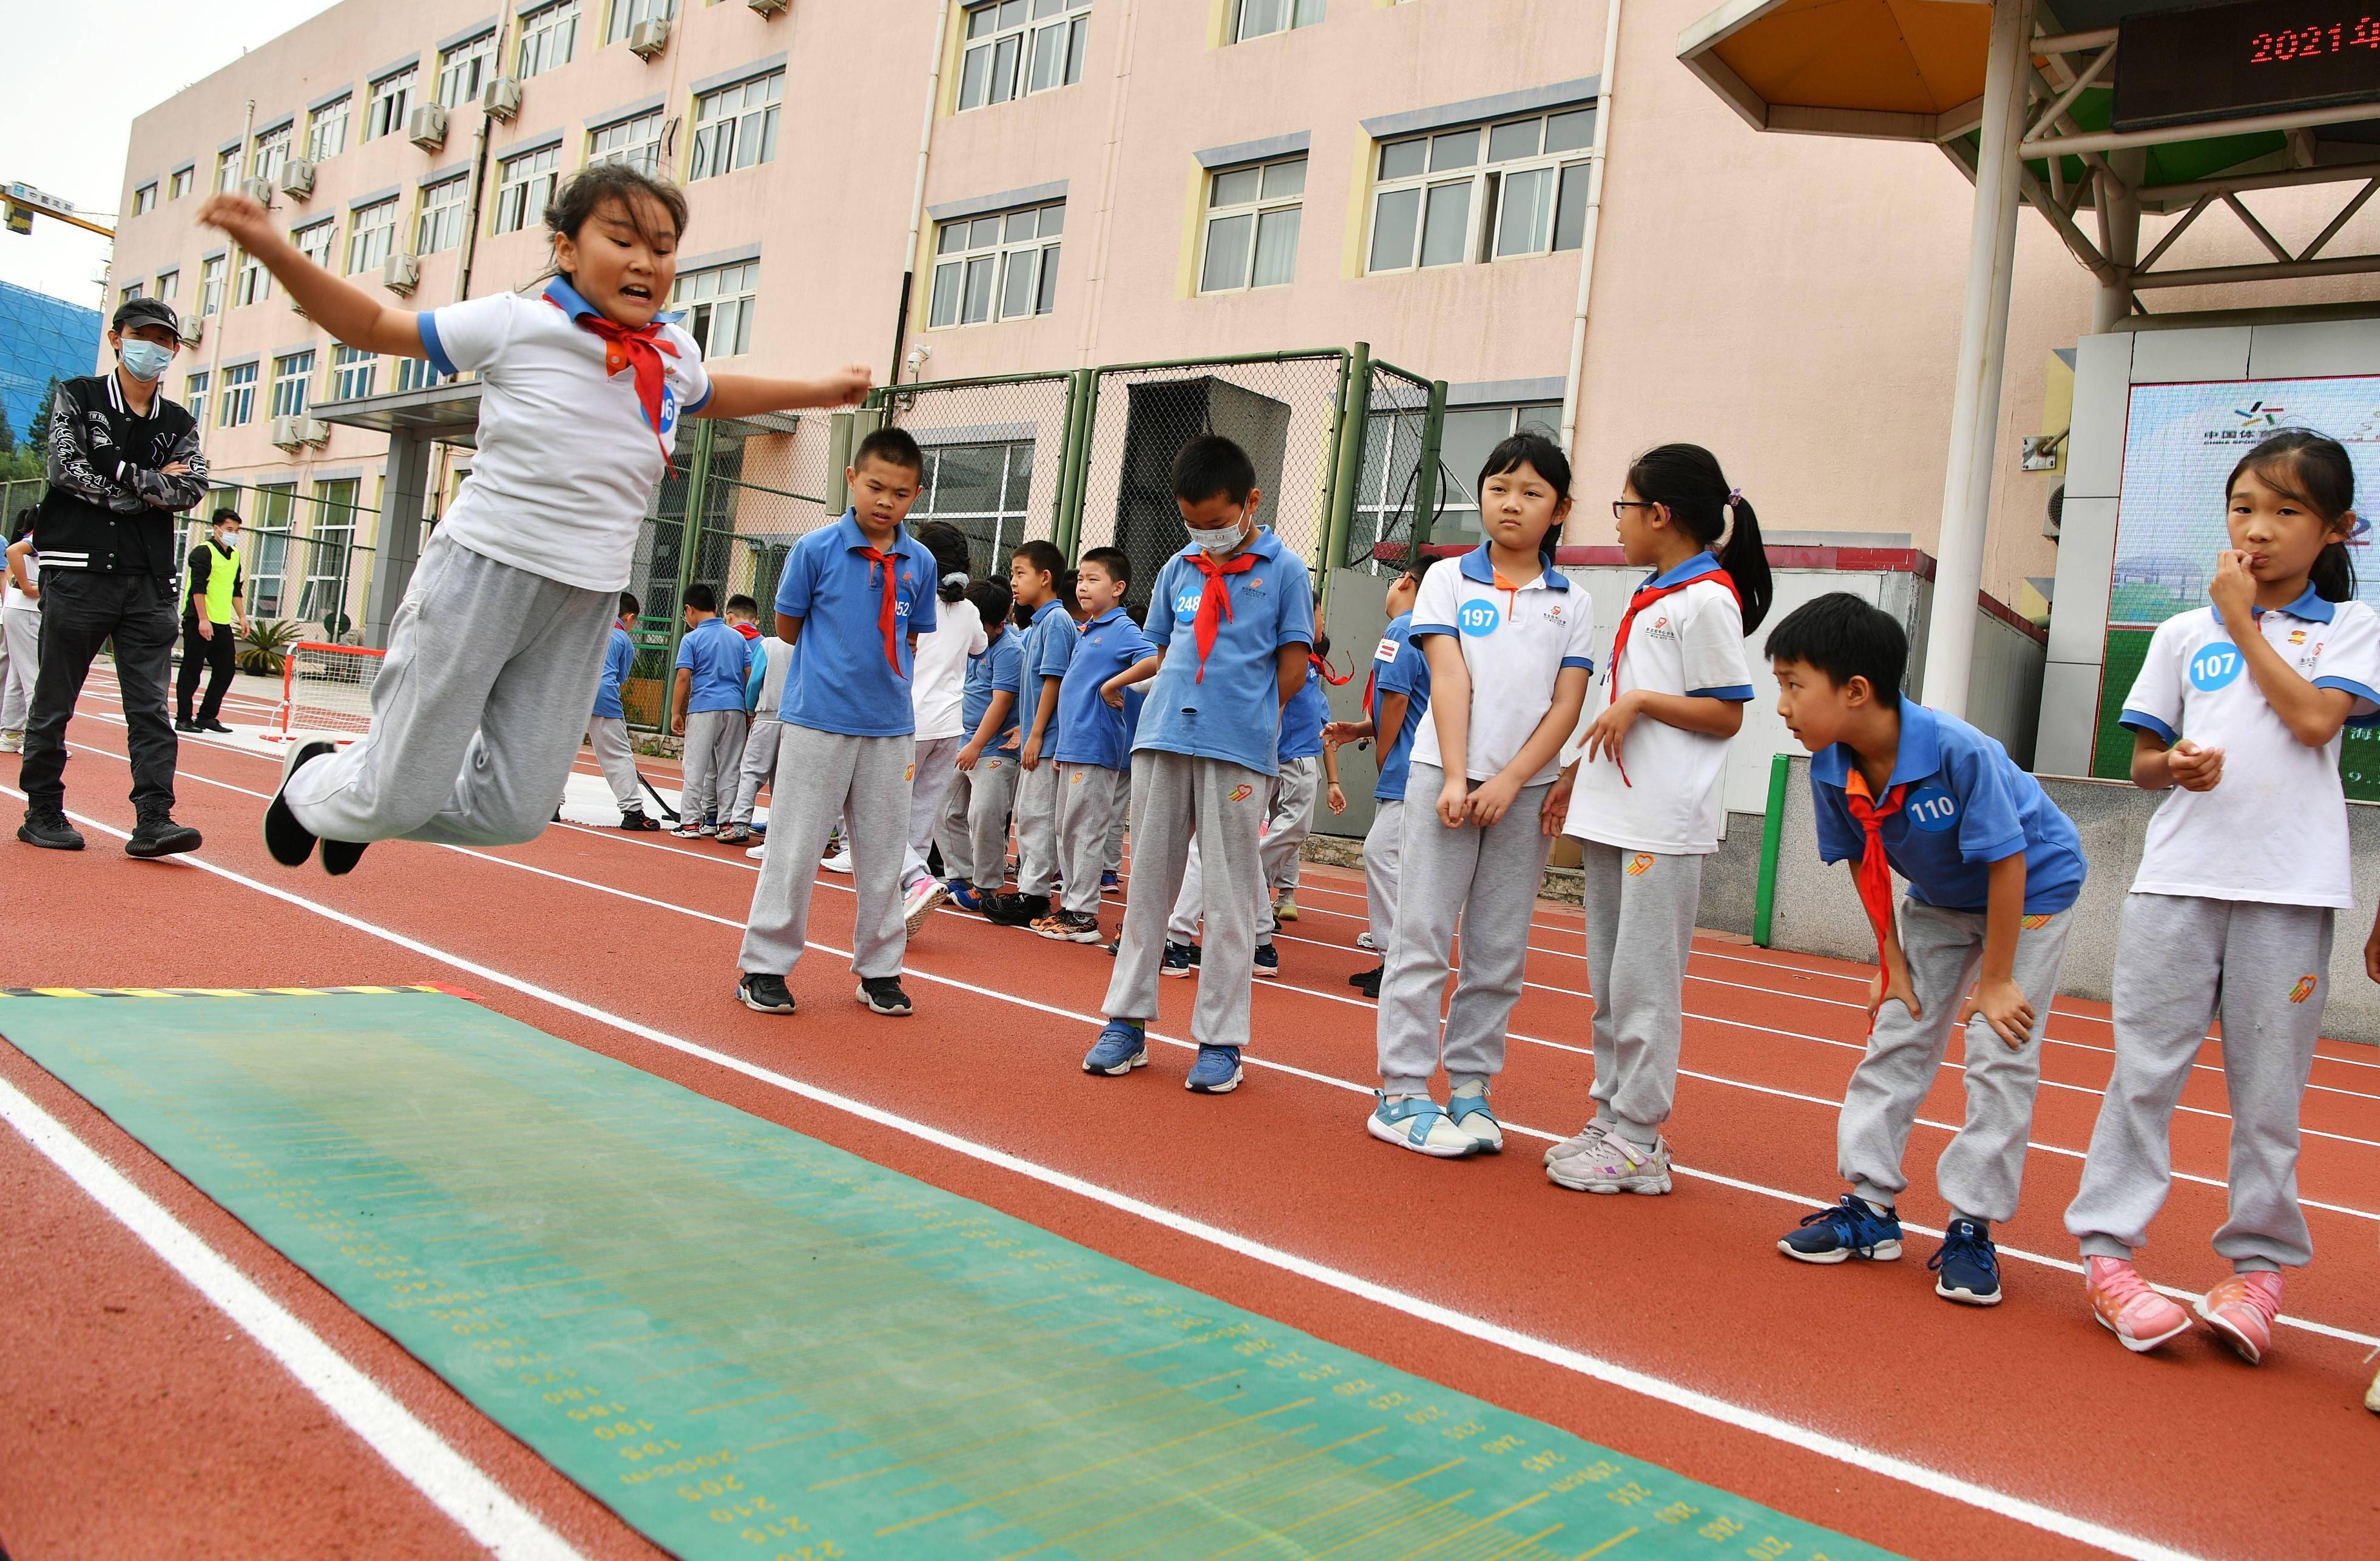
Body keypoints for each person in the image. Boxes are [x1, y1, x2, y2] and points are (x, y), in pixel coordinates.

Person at [198, 167, 871, 875]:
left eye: (664, 247)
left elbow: (714, 393)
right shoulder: (518, 323)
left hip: (586, 598)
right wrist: (270, 248)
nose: (647, 262)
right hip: (482, 574)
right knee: (395, 790)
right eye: (622, 239)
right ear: (568, 249)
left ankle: (362, 799)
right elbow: (370, 326)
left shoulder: (673, 351)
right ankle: (320, 781)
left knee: (514, 812)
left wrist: (822, 389)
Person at [2066, 428, 2380, 1360]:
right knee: (2143, 1076)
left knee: (2269, 1095)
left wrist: (2242, 621)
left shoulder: (2348, 629)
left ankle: (2257, 1274)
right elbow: (2140, 766)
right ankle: (2108, 1258)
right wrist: (2177, 767)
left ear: (2336, 529)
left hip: (2290, 891)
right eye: (2244, 508)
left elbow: (2317, 715)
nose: (2259, 529)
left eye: (2287, 511)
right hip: (2176, 884)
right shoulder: (2177, 633)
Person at [1766, 592, 2085, 1307]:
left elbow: (2009, 862)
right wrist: (1893, 964)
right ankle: (1870, 1209)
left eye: (1793, 685)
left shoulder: (1956, 751)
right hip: (1937, 899)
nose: (1781, 705)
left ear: (1855, 690)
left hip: (2032, 889)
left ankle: (1972, 1227)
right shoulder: (1827, 766)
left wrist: (1996, 980)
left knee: (1999, 1051)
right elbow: (1860, 858)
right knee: (1896, 1032)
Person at [1542, 444, 1771, 1195]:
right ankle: (1613, 1117)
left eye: (1624, 507)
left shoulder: (1707, 599)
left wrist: (1639, 703)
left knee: (1644, 981)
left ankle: (1639, 1136)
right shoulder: (1654, 593)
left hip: (1660, 822)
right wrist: (1576, 774)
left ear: (1660, 515)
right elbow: (1620, 695)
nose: (1618, 522)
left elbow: (1726, 711)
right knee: (1610, 978)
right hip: (1617, 813)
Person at [1367, 432, 1594, 1157]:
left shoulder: (1574, 601)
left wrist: (1509, 782)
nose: (1512, 504)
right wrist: (1462, 777)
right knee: (1422, 936)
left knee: (1498, 950)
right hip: (1445, 777)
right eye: (1499, 488)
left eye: (1532, 493)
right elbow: (1450, 677)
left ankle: (1470, 1088)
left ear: (1560, 510)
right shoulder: (1446, 580)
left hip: (1520, 792)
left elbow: (1566, 706)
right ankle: (1401, 1090)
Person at [1082, 435, 1314, 1095]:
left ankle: (1220, 1041)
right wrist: (1138, 692)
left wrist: (1242, 716)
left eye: (1216, 522)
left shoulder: (1285, 570)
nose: (1204, 535)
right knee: (1148, 886)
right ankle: (1125, 1023)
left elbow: (1291, 667)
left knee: (1229, 897)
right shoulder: (1178, 568)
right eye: (1193, 523)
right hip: (1160, 740)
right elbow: (1161, 649)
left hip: (1235, 749)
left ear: (1250, 503)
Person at [734, 427, 938, 1018]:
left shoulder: (919, 561)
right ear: (851, 480)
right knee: (794, 849)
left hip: (889, 726)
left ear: (916, 495)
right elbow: (789, 627)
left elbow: (912, 635)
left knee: (880, 856)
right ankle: (764, 967)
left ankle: (880, 971)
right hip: (817, 721)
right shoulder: (815, 549)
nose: (885, 501)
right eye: (875, 486)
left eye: (900, 493)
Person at [16, 295, 209, 856]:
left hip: (149, 581)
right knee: (56, 699)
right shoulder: (76, 396)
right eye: (142, 334)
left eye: (165, 338)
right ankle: (43, 809)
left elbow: (191, 488)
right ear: (118, 338)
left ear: (174, 349)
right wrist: (146, 484)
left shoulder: (178, 422)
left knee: (150, 706)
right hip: (78, 573)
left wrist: (120, 477)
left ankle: (154, 818)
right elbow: (65, 468)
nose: (154, 346)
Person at [1160, 625, 1333, 979]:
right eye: (1314, 610)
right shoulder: (1260, 641)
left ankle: (1180, 940)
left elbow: (1284, 700)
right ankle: (1258, 943)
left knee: (1218, 843)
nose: (1318, 619)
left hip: (1253, 754)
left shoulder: (1295, 653)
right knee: (1223, 843)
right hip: (1246, 751)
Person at [1324, 561, 1433, 998]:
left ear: (1406, 582)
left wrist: (1384, 753)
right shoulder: (1433, 634)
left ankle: (1398, 960)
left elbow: (1399, 702)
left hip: (1409, 769)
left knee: (1380, 853)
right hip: (1425, 764)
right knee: (1401, 861)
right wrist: (1361, 730)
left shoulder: (1403, 630)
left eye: (1393, 580)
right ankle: (1396, 959)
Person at [1038, 546, 1155, 943]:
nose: (1083, 587)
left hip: (1097, 747)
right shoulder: (1089, 630)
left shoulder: (1122, 629)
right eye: (1081, 579)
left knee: (1084, 829)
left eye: (1094, 579)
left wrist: (1113, 684)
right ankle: (1072, 905)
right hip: (1074, 747)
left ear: (1118, 587)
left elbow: (1155, 660)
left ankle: (1083, 914)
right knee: (1066, 829)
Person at [897, 523, 987, 933]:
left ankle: (911, 883)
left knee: (884, 813)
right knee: (921, 818)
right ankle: (907, 899)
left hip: (908, 721)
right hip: (949, 727)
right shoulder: (968, 611)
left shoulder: (913, 601)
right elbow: (980, 647)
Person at [981, 540, 1072, 926]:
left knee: (1036, 815)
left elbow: (1054, 681)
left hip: (1048, 740)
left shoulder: (1056, 622)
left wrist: (1036, 734)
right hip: (1038, 733)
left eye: (1021, 573)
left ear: (1045, 577)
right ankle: (1031, 887)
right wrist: (1026, 725)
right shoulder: (1037, 624)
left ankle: (1033, 896)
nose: (1014, 582)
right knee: (1030, 814)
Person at [939, 578, 1021, 912]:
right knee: (943, 811)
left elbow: (1000, 703)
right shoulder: (963, 640)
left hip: (993, 749)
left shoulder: (1009, 651)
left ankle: (986, 885)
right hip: (958, 739)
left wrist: (975, 745)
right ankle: (959, 874)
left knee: (985, 812)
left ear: (1000, 623)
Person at [669, 583, 751, 839]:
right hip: (735, 708)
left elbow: (683, 677)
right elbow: (749, 672)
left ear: (689, 610)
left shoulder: (691, 639)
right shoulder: (737, 637)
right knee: (730, 766)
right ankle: (726, 822)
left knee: (696, 766)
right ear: (716, 608)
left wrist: (675, 712)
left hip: (704, 707)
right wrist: (749, 707)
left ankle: (691, 822)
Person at [174, 507, 251, 734]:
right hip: (198, 620)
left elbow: (235, 589)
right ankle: (183, 718)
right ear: (216, 529)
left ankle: (207, 716)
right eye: (229, 529)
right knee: (192, 669)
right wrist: (203, 620)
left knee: (226, 670)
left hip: (221, 621)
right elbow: (198, 588)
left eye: (237, 530)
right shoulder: (202, 552)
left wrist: (242, 617)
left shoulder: (235, 554)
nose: (234, 533)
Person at [587, 591, 658, 830]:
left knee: (559, 752)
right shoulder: (622, 638)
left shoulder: (586, 630)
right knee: (617, 755)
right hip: (605, 698)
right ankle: (633, 811)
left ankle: (552, 805)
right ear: (629, 617)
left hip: (571, 695)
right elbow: (620, 677)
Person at [726, 611, 796, 845]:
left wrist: (749, 709)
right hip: (795, 721)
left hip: (767, 716)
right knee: (784, 778)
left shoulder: (768, 645)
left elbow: (755, 681)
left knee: (752, 772)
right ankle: (780, 831)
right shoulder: (806, 646)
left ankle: (739, 824)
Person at [1, 509, 39, 752]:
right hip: (28, 610)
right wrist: (27, 587)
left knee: (17, 674)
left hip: (18, 609)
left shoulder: (35, 536)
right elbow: (13, 551)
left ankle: (12, 733)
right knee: (35, 675)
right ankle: (38, 740)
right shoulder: (44, 536)